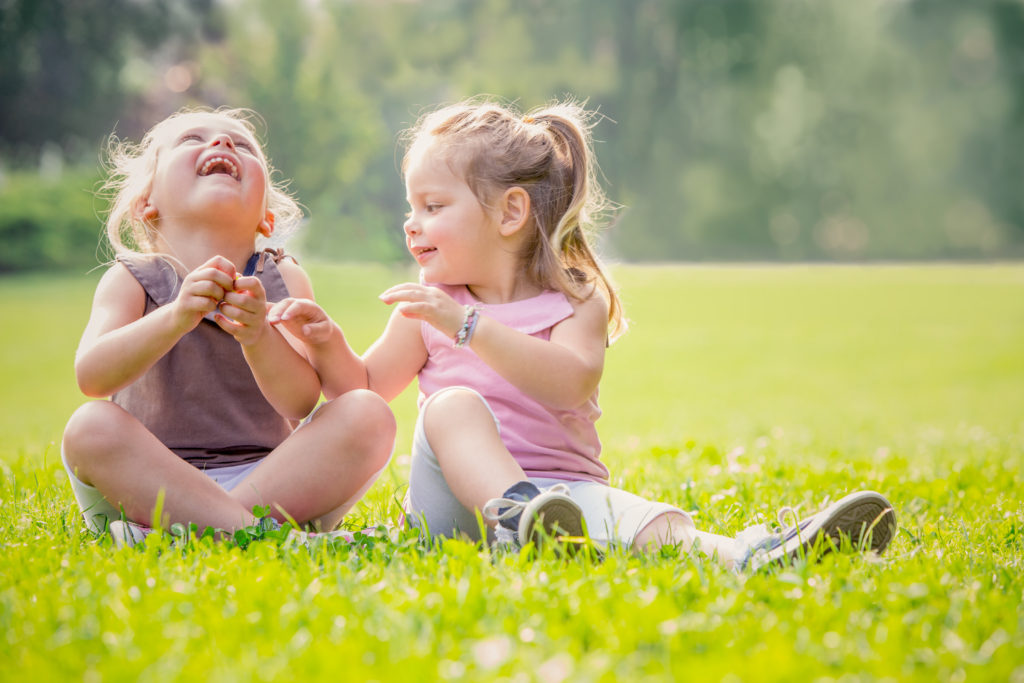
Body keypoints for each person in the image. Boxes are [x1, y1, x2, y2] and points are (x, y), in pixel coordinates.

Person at [269, 98, 896, 570]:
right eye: (412, 208)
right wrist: (327, 343)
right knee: (453, 407)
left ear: (510, 213)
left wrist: (467, 327)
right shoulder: (429, 308)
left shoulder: (574, 297)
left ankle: (750, 555)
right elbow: (366, 390)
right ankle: (515, 516)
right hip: (453, 514)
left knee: (639, 519)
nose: (413, 225)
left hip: (560, 499)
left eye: (433, 207)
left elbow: (570, 383)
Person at [61, 107, 395, 547]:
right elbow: (92, 376)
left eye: (242, 144)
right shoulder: (132, 277)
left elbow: (299, 403)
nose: (220, 144)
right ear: (147, 203)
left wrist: (259, 336)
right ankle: (265, 538)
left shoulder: (283, 278)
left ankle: (201, 533)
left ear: (265, 219)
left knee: (368, 413)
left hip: (268, 482)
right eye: (191, 140)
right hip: (150, 481)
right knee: (90, 427)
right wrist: (176, 316)